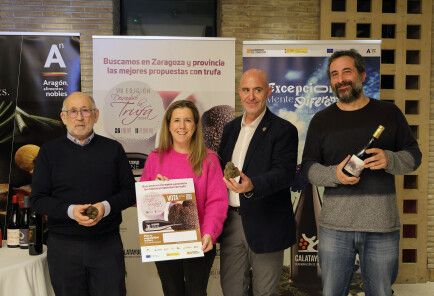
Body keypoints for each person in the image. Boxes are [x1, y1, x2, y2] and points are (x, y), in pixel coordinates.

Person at [301, 49, 422, 296]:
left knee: (380, 292)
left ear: (362, 75)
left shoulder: (389, 113)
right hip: (335, 228)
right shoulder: (321, 120)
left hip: (381, 227)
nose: (341, 79)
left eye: (347, 71)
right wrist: (335, 175)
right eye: (334, 74)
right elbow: (309, 168)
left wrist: (390, 159)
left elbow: (414, 157)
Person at [31, 92, 136, 296]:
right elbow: (38, 200)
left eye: (85, 110)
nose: (79, 117)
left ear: (95, 115)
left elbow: (130, 192)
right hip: (63, 246)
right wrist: (70, 211)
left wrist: (104, 208)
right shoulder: (48, 152)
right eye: (73, 111)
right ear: (63, 117)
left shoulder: (113, 149)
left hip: (106, 244)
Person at [218, 68, 298, 296]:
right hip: (232, 223)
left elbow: (284, 173)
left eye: (257, 90)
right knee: (232, 290)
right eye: (246, 90)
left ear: (268, 92)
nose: (251, 96)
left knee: (264, 292)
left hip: (267, 223)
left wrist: (252, 185)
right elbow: (218, 169)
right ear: (239, 93)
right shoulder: (229, 129)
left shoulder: (284, 130)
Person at [140, 100, 228, 296]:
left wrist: (209, 233)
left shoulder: (209, 159)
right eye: (177, 120)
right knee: (172, 291)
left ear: (195, 125)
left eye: (187, 120)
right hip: (165, 240)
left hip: (199, 240)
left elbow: (217, 202)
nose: (182, 126)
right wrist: (153, 190)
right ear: (168, 125)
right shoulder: (155, 158)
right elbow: (143, 202)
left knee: (196, 292)